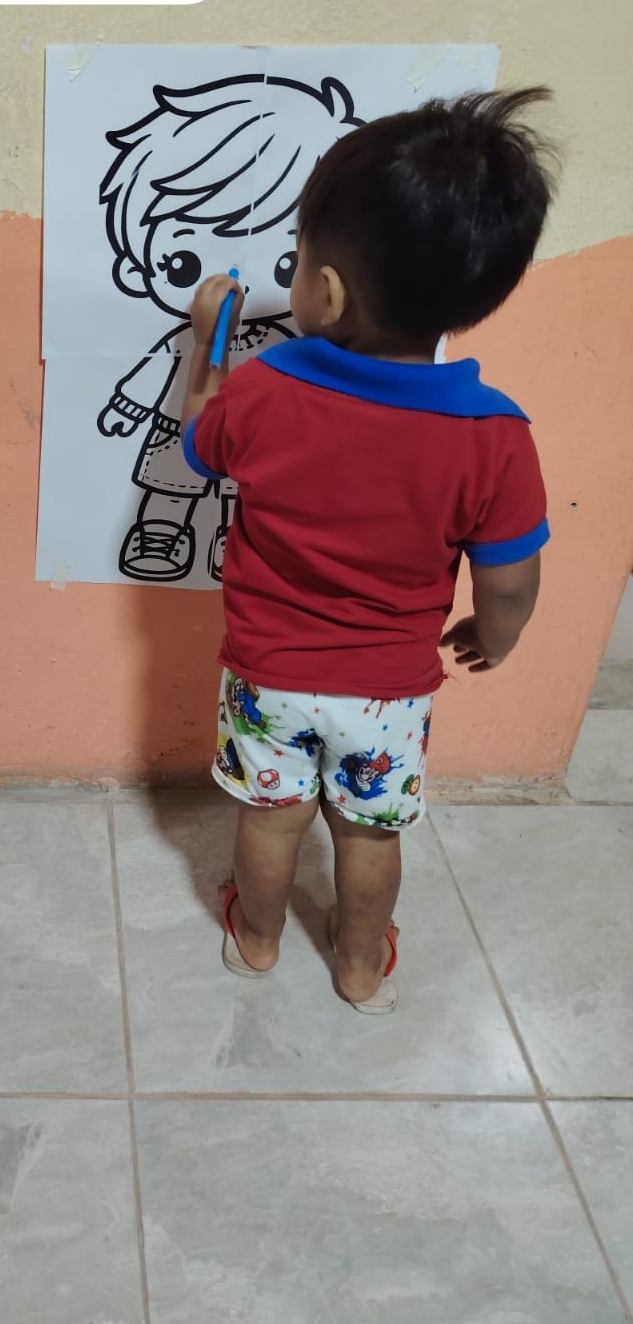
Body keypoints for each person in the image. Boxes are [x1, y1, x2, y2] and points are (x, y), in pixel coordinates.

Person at [179, 88, 555, 1013]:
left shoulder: (264, 391)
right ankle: (357, 966)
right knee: (369, 834)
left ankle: (256, 941)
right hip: (388, 691)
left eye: (298, 260)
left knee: (273, 821)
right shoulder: (495, 434)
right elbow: (510, 580)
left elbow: (200, 446)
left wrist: (205, 352)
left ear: (327, 290)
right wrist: (495, 636)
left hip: (267, 673)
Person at [97, 74, 359, 581]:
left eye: (287, 262)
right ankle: (160, 529)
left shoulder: (286, 350)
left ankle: (234, 537)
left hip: (252, 440)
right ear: (135, 265)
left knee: (243, 490)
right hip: (178, 425)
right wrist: (130, 403)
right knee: (169, 479)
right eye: (184, 262)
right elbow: (159, 374)